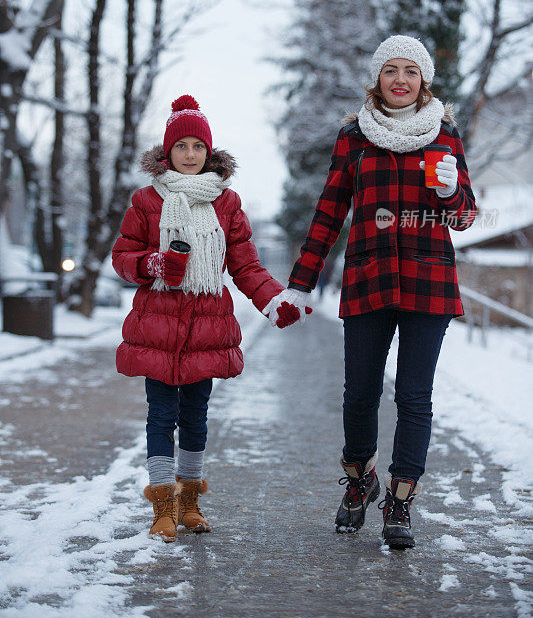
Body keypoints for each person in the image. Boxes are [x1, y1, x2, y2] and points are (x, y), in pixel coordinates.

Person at [264, 36, 477, 549]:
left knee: (414, 396)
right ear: (377, 78)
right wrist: (299, 283)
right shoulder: (353, 136)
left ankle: (400, 499)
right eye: (390, 70)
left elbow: (465, 216)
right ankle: (361, 480)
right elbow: (329, 213)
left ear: (424, 80)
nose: (400, 80)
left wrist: (451, 192)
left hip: (429, 282)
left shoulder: (444, 136)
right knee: (359, 393)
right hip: (367, 277)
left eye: (410, 71)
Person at [112, 95, 307, 542]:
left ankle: (189, 503)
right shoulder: (146, 200)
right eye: (181, 146)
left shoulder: (227, 202)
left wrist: (274, 300)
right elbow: (122, 257)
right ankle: (162, 507)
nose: (190, 154)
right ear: (167, 153)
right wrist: (154, 265)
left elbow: (245, 265)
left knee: (196, 415)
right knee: (161, 415)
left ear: (209, 152)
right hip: (158, 323)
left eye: (197, 146)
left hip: (206, 325)